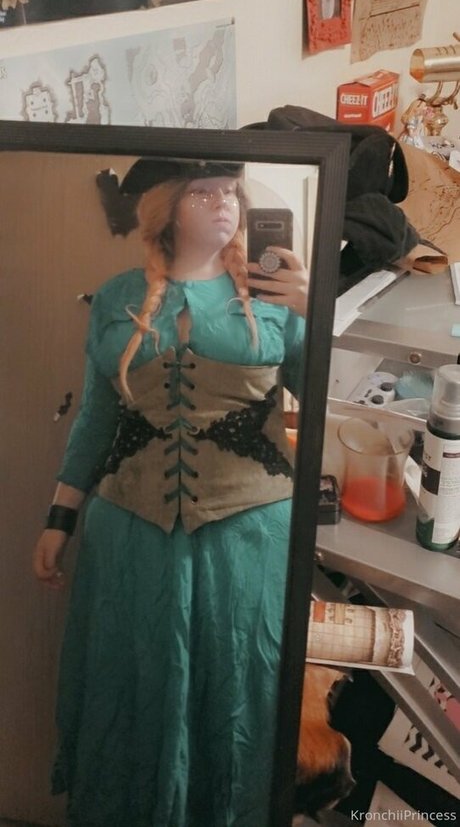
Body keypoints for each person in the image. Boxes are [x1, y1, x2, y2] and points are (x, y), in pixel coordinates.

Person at [33, 158, 308, 827]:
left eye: (230, 193)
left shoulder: (275, 295)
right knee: (132, 682)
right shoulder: (117, 295)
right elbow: (97, 417)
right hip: (130, 532)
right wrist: (59, 517)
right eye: (203, 194)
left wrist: (314, 307)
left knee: (239, 684)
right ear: (166, 207)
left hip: (249, 533)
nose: (223, 205)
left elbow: (323, 395)